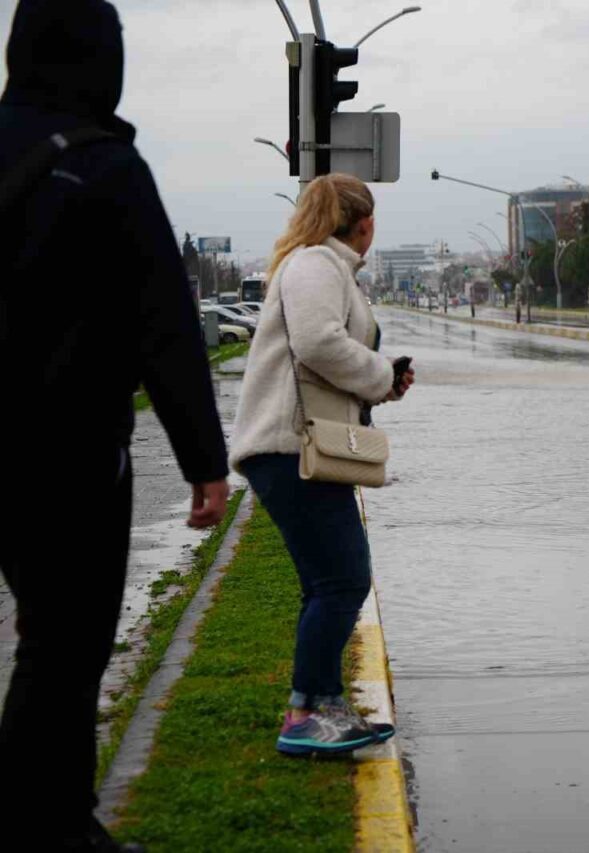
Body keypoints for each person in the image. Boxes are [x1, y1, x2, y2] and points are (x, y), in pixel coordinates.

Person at [0, 1, 230, 849]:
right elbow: (163, 324)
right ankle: (48, 823)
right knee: (62, 647)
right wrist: (205, 461)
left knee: (42, 638)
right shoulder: (105, 168)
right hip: (68, 457)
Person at [229, 173, 415, 758]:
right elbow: (317, 342)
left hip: (300, 448)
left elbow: (325, 351)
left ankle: (324, 707)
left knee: (327, 583)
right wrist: (381, 374)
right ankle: (306, 713)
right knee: (343, 580)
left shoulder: (322, 266)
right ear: (364, 224)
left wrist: (383, 382)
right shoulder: (315, 265)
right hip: (290, 448)